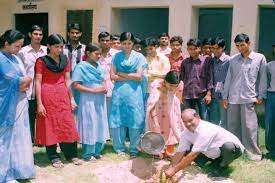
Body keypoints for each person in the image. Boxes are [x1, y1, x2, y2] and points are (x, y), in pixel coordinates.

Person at [35, 34, 81, 168]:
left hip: (62, 95)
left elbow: (67, 79)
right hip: (47, 94)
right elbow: (38, 82)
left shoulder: (65, 59)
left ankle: (71, 154)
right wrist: (39, 103)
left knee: (67, 123)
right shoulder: (41, 61)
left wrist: (71, 98)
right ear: (48, 46)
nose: (59, 50)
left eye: (61, 47)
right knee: (50, 125)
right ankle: (53, 156)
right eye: (56, 47)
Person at [222, 33, 267, 161]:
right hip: (233, 98)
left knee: (249, 126)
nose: (240, 48)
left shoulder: (259, 58)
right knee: (233, 125)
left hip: (249, 97)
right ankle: (236, 150)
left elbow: (263, 78)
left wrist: (261, 95)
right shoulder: (233, 59)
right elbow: (229, 78)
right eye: (237, 46)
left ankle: (253, 152)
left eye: (242, 45)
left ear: (249, 43)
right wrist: (225, 96)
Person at [164, 109, 244, 179]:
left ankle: (222, 166)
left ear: (197, 117)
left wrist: (174, 171)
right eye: (185, 122)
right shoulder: (185, 133)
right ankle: (214, 163)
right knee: (187, 150)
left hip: (233, 150)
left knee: (228, 147)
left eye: (190, 120)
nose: (188, 124)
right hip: (214, 152)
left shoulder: (205, 129)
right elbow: (180, 152)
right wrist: (171, 167)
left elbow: (193, 155)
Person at [0, 30, 35, 183]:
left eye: (21, 46)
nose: (19, 49)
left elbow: (26, 80)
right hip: (6, 105)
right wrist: (22, 81)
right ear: (6, 44)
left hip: (20, 102)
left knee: (19, 137)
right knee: (5, 140)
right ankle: (4, 175)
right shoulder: (1, 59)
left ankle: (18, 170)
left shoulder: (15, 58)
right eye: (16, 46)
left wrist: (24, 81)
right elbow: (14, 82)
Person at [109, 32, 146, 158]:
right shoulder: (116, 57)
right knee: (117, 118)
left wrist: (122, 74)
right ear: (120, 43)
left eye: (129, 43)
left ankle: (134, 149)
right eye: (124, 43)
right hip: (119, 93)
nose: (126, 46)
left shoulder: (139, 57)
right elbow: (112, 76)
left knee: (135, 119)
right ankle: (119, 148)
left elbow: (139, 77)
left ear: (133, 44)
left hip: (134, 93)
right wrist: (130, 77)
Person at [71, 43, 109, 161]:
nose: (99, 56)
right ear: (87, 53)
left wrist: (104, 87)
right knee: (89, 122)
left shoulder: (99, 67)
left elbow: (103, 80)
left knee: (99, 121)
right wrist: (92, 91)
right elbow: (75, 85)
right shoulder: (81, 67)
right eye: (96, 54)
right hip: (88, 98)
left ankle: (97, 150)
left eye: (100, 54)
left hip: (100, 98)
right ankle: (87, 153)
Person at [18, 25, 47, 143]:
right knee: (29, 117)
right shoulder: (22, 52)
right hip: (28, 91)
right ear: (30, 35)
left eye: (40, 34)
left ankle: (42, 140)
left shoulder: (46, 50)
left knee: (43, 116)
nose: (38, 37)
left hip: (44, 90)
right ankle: (30, 141)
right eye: (35, 34)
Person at [146, 71, 184, 158]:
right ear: (165, 81)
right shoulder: (157, 85)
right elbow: (151, 104)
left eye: (175, 86)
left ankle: (169, 152)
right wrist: (155, 122)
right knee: (157, 129)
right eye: (170, 85)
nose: (172, 88)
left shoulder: (180, 85)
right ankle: (157, 151)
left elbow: (178, 98)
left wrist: (176, 114)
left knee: (171, 130)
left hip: (171, 110)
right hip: (157, 110)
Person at [180, 38, 213, 120]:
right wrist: (181, 95)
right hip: (187, 95)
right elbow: (182, 79)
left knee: (204, 118)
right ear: (187, 49)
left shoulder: (206, 61)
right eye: (190, 49)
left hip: (202, 94)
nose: (193, 51)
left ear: (200, 48)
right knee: (189, 117)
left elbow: (210, 78)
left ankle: (206, 133)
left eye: (195, 48)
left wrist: (208, 94)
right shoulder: (185, 62)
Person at [208, 38, 230, 128]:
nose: (215, 51)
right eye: (213, 48)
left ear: (223, 47)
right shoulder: (211, 60)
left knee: (224, 121)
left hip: (224, 96)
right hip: (213, 95)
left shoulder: (229, 61)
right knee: (213, 121)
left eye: (217, 48)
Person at [265, 60, 275, 159]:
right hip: (272, 95)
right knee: (270, 123)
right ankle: (271, 150)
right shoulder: (270, 65)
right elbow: (266, 80)